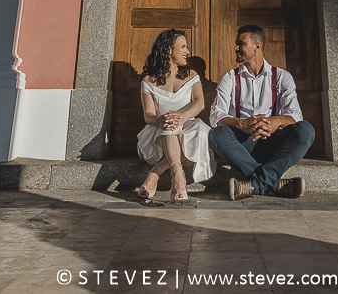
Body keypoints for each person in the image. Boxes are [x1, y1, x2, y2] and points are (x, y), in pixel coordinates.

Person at [208, 25, 315, 200]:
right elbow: (215, 114)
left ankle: (256, 185)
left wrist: (275, 122)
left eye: (240, 44)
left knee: (306, 130)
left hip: (272, 142)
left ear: (257, 46)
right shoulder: (229, 78)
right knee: (218, 134)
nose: (235, 48)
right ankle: (274, 183)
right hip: (242, 145)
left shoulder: (282, 77)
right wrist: (241, 124)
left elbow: (295, 115)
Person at [135, 29, 216, 203]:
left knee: (180, 128)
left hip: (189, 125)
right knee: (168, 125)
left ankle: (157, 172)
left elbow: (199, 102)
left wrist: (182, 117)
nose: (188, 51)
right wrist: (160, 119)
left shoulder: (192, 75)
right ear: (168, 50)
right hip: (159, 132)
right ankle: (178, 177)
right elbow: (148, 115)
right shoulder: (148, 80)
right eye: (183, 47)